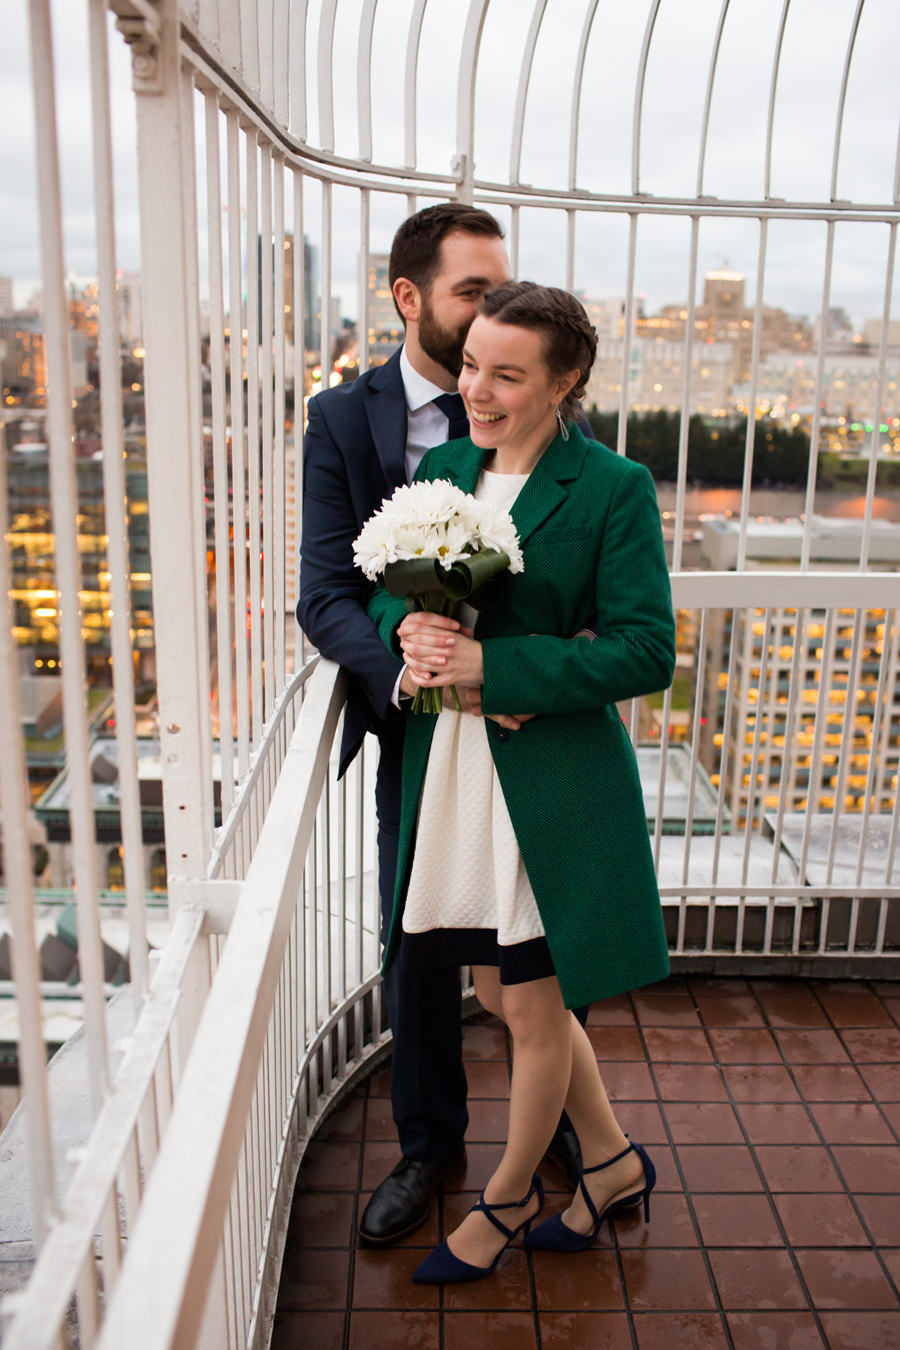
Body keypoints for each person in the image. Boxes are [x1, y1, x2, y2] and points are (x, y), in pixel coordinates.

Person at [366, 282, 676, 1282]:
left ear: (564, 381)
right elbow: (389, 595)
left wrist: (498, 669)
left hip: (547, 781)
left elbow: (645, 649)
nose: (476, 390)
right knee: (501, 988)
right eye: (470, 366)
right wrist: (409, 633)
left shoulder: (613, 487)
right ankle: (613, 1164)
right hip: (455, 772)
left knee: (535, 1006)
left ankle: (503, 1201)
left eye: (506, 374)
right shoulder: (445, 468)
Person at [298, 205, 586, 1246]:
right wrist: (412, 671)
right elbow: (326, 592)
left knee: (538, 946)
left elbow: (581, 579)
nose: (492, 309)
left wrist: (517, 672)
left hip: (526, 729)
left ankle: (560, 1127)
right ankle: (428, 1145)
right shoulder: (343, 420)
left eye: (501, 288)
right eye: (472, 292)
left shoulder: (544, 403)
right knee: (416, 946)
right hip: (415, 731)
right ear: (408, 297)